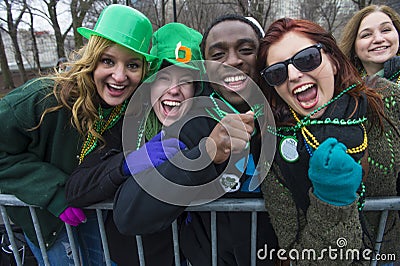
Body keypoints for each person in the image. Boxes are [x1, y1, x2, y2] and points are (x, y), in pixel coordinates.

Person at [113, 14, 279, 266]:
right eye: (218, 54)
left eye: (246, 50)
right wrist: (206, 154)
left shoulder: (287, 115)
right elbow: (128, 214)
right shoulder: (191, 124)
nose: (233, 61)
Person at [0, 4, 153, 265]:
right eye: (108, 60)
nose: (120, 76)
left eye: (132, 65)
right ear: (91, 59)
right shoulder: (45, 98)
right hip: (48, 222)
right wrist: (53, 191)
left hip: (93, 213)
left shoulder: (131, 106)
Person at [258, 17, 400, 264]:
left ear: (333, 60)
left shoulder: (386, 101)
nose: (292, 75)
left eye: (306, 59)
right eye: (277, 72)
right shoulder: (274, 148)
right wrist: (331, 201)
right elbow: (299, 256)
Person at [65, 22, 204, 265]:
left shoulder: (205, 130)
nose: (174, 90)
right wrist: (127, 164)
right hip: (129, 258)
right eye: (164, 78)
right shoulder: (124, 126)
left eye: (185, 80)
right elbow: (76, 187)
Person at [339, 4, 400, 84]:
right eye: (366, 35)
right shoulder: (344, 89)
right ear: (353, 47)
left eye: (386, 30)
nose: (378, 39)